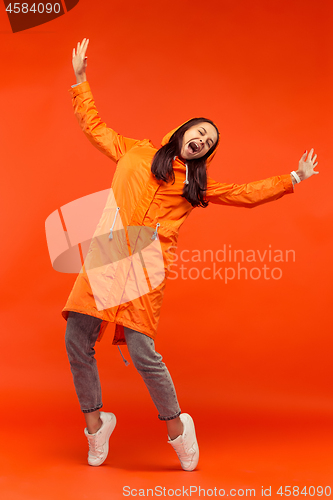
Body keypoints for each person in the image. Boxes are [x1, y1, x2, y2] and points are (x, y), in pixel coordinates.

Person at [63, 38, 319, 471]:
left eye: (208, 142)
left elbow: (244, 194)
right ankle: (96, 425)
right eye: (197, 132)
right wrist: (81, 81)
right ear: (181, 132)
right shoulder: (136, 151)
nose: (200, 141)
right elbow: (95, 128)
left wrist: (294, 176)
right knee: (76, 339)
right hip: (107, 258)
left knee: (144, 352)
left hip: (145, 270)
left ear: (207, 153)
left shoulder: (194, 186)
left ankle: (178, 429)